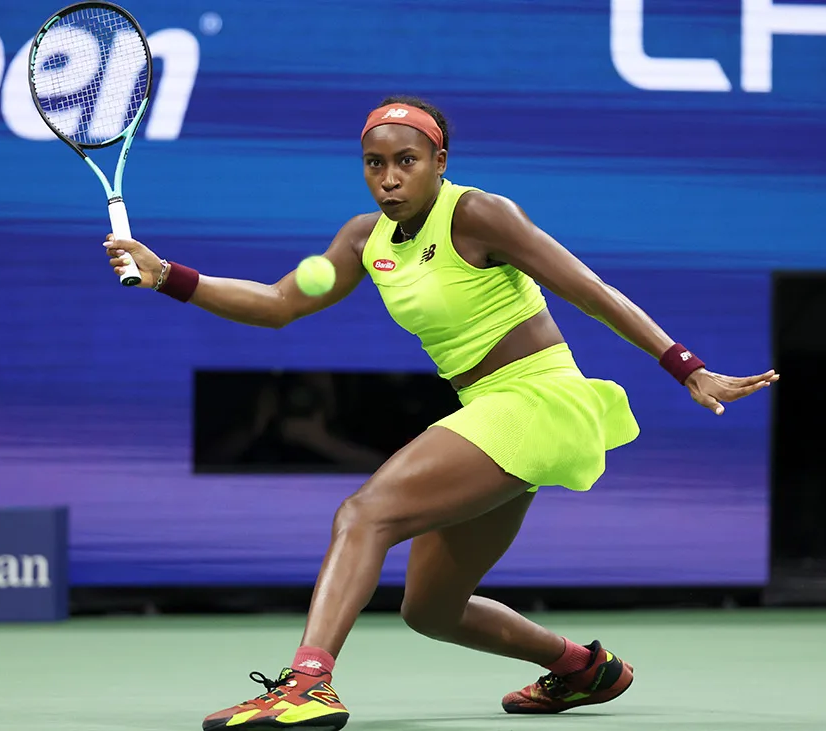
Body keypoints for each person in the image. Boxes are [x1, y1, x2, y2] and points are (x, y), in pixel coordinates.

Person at [104, 96, 779, 731]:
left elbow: (590, 289)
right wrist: (165, 273)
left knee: (363, 514)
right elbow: (279, 303)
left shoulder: (478, 214)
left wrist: (685, 365)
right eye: (375, 164)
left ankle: (307, 683)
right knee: (429, 608)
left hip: (538, 399)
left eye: (407, 160)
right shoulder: (364, 239)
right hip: (496, 412)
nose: (389, 178)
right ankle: (581, 667)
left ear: (440, 162)